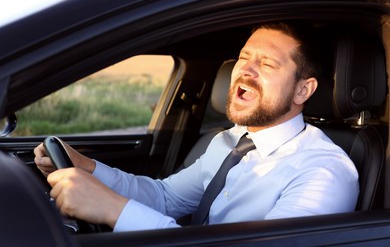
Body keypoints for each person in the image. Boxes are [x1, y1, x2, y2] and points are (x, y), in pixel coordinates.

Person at [34, 21, 359, 232]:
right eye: (244, 57)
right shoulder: (228, 142)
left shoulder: (322, 171)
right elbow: (164, 199)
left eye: (268, 63)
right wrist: (87, 167)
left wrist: (115, 211)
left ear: (303, 90)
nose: (246, 70)